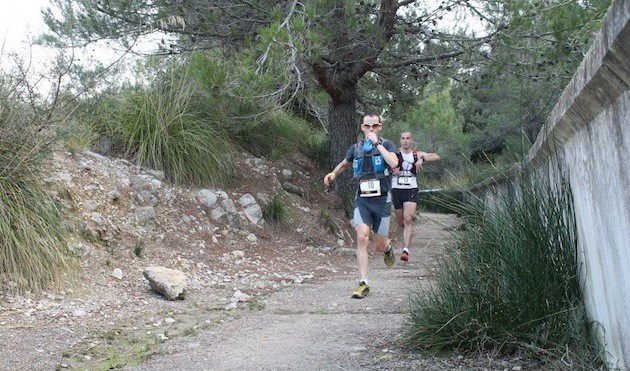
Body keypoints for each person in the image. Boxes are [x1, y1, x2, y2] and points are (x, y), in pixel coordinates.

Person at [324, 113, 399, 299]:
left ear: (380, 127)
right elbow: (344, 164)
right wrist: (332, 174)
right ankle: (363, 282)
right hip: (363, 200)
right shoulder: (355, 148)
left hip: (382, 201)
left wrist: (377, 144)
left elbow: (394, 163)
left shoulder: (387, 145)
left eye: (374, 126)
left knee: (379, 246)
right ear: (362, 127)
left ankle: (388, 248)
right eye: (367, 126)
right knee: (362, 237)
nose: (371, 129)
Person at [391, 131, 441, 262]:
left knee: (408, 219)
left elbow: (436, 157)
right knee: (401, 222)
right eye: (403, 138)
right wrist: (392, 170)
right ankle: (403, 241)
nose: (405, 141)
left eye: (408, 138)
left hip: (411, 188)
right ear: (400, 140)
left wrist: (422, 159)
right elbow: (382, 166)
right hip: (396, 188)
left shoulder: (416, 154)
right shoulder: (394, 155)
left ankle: (405, 250)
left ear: (411, 140)